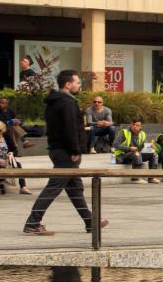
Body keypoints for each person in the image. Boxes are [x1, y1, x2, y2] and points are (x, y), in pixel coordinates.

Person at [24, 70, 104, 237]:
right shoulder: (67, 102)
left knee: (75, 188)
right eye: (76, 82)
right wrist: (75, 150)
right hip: (66, 152)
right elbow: (70, 127)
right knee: (53, 187)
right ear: (68, 84)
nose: (78, 85)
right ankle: (33, 222)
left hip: (57, 149)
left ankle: (90, 221)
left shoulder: (54, 102)